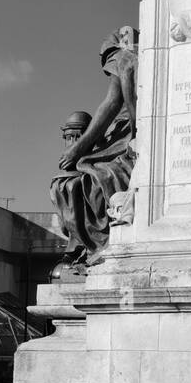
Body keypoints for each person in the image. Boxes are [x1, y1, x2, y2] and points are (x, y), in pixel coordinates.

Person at [50, 27, 138, 270]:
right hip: (127, 133)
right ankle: (81, 244)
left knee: (80, 177)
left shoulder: (122, 59)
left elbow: (110, 105)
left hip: (129, 135)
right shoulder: (133, 61)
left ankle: (90, 243)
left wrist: (77, 149)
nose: (109, 69)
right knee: (80, 177)